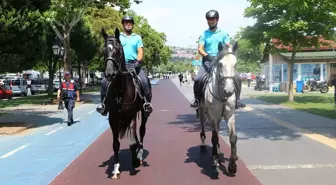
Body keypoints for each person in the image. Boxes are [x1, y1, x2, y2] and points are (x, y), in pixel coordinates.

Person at [96, 15, 152, 116]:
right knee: (104, 82)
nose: (128, 24)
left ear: (133, 25)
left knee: (144, 81)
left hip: (133, 65)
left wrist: (138, 62)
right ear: (123, 24)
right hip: (119, 66)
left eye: (130, 22)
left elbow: (140, 52)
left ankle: (146, 104)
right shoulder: (118, 37)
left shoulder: (137, 38)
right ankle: (104, 105)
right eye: (126, 22)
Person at [190, 9, 246, 109]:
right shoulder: (204, 34)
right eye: (209, 19)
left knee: (237, 77)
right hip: (208, 61)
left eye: (213, 19)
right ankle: (197, 100)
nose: (211, 20)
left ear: (217, 20)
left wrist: (230, 48)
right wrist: (207, 56)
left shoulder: (223, 33)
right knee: (198, 79)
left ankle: (237, 100)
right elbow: (200, 49)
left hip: (222, 60)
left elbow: (227, 44)